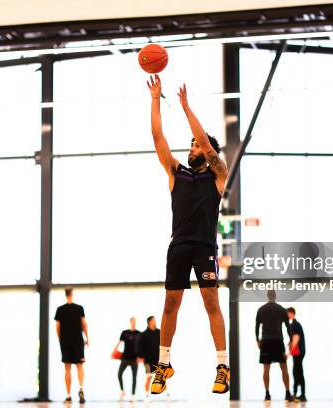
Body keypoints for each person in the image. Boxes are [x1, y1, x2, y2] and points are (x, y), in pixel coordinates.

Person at [146, 75, 230, 395]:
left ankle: (222, 366)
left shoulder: (217, 174)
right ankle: (163, 364)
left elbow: (208, 146)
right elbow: (157, 137)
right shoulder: (176, 173)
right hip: (178, 246)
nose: (192, 147)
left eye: (195, 144)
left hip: (204, 246)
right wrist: (156, 100)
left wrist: (185, 106)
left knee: (211, 301)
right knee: (170, 303)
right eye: (192, 144)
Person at [255, 290, 293, 402]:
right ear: (275, 296)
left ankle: (267, 394)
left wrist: (257, 339)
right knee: (284, 367)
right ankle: (288, 393)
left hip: (266, 341)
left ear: (267, 296)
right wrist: (290, 340)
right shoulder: (281, 309)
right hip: (278, 340)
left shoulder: (261, 309)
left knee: (266, 368)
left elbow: (257, 326)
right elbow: (287, 326)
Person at [54, 287, 88, 404]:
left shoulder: (60, 309)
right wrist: (87, 338)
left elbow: (57, 327)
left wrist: (60, 339)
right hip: (78, 341)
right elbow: (84, 324)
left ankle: (68, 395)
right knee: (79, 366)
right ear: (72, 294)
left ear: (65, 294)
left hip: (65, 341)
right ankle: (81, 389)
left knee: (67, 368)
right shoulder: (79, 308)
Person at [113, 317, 142, 400]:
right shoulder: (124, 332)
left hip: (135, 359)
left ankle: (133, 395)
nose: (134, 323)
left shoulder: (139, 333)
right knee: (119, 374)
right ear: (130, 322)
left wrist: (141, 357)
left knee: (134, 377)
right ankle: (122, 391)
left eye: (135, 321)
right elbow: (119, 342)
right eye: (132, 321)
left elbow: (141, 347)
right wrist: (114, 351)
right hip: (125, 358)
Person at [137, 316, 160, 399]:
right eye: (154, 320)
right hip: (148, 360)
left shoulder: (159, 332)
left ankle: (167, 394)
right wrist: (140, 357)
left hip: (158, 359)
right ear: (150, 322)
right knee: (149, 376)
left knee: (162, 376)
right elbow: (139, 347)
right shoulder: (144, 334)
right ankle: (146, 394)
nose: (155, 321)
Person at [287, 307, 306, 402]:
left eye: (287, 313)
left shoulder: (295, 324)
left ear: (291, 313)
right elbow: (293, 339)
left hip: (298, 352)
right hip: (297, 352)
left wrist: (288, 353)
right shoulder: (293, 324)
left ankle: (301, 394)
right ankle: (296, 394)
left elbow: (296, 338)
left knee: (298, 372)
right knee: (296, 372)